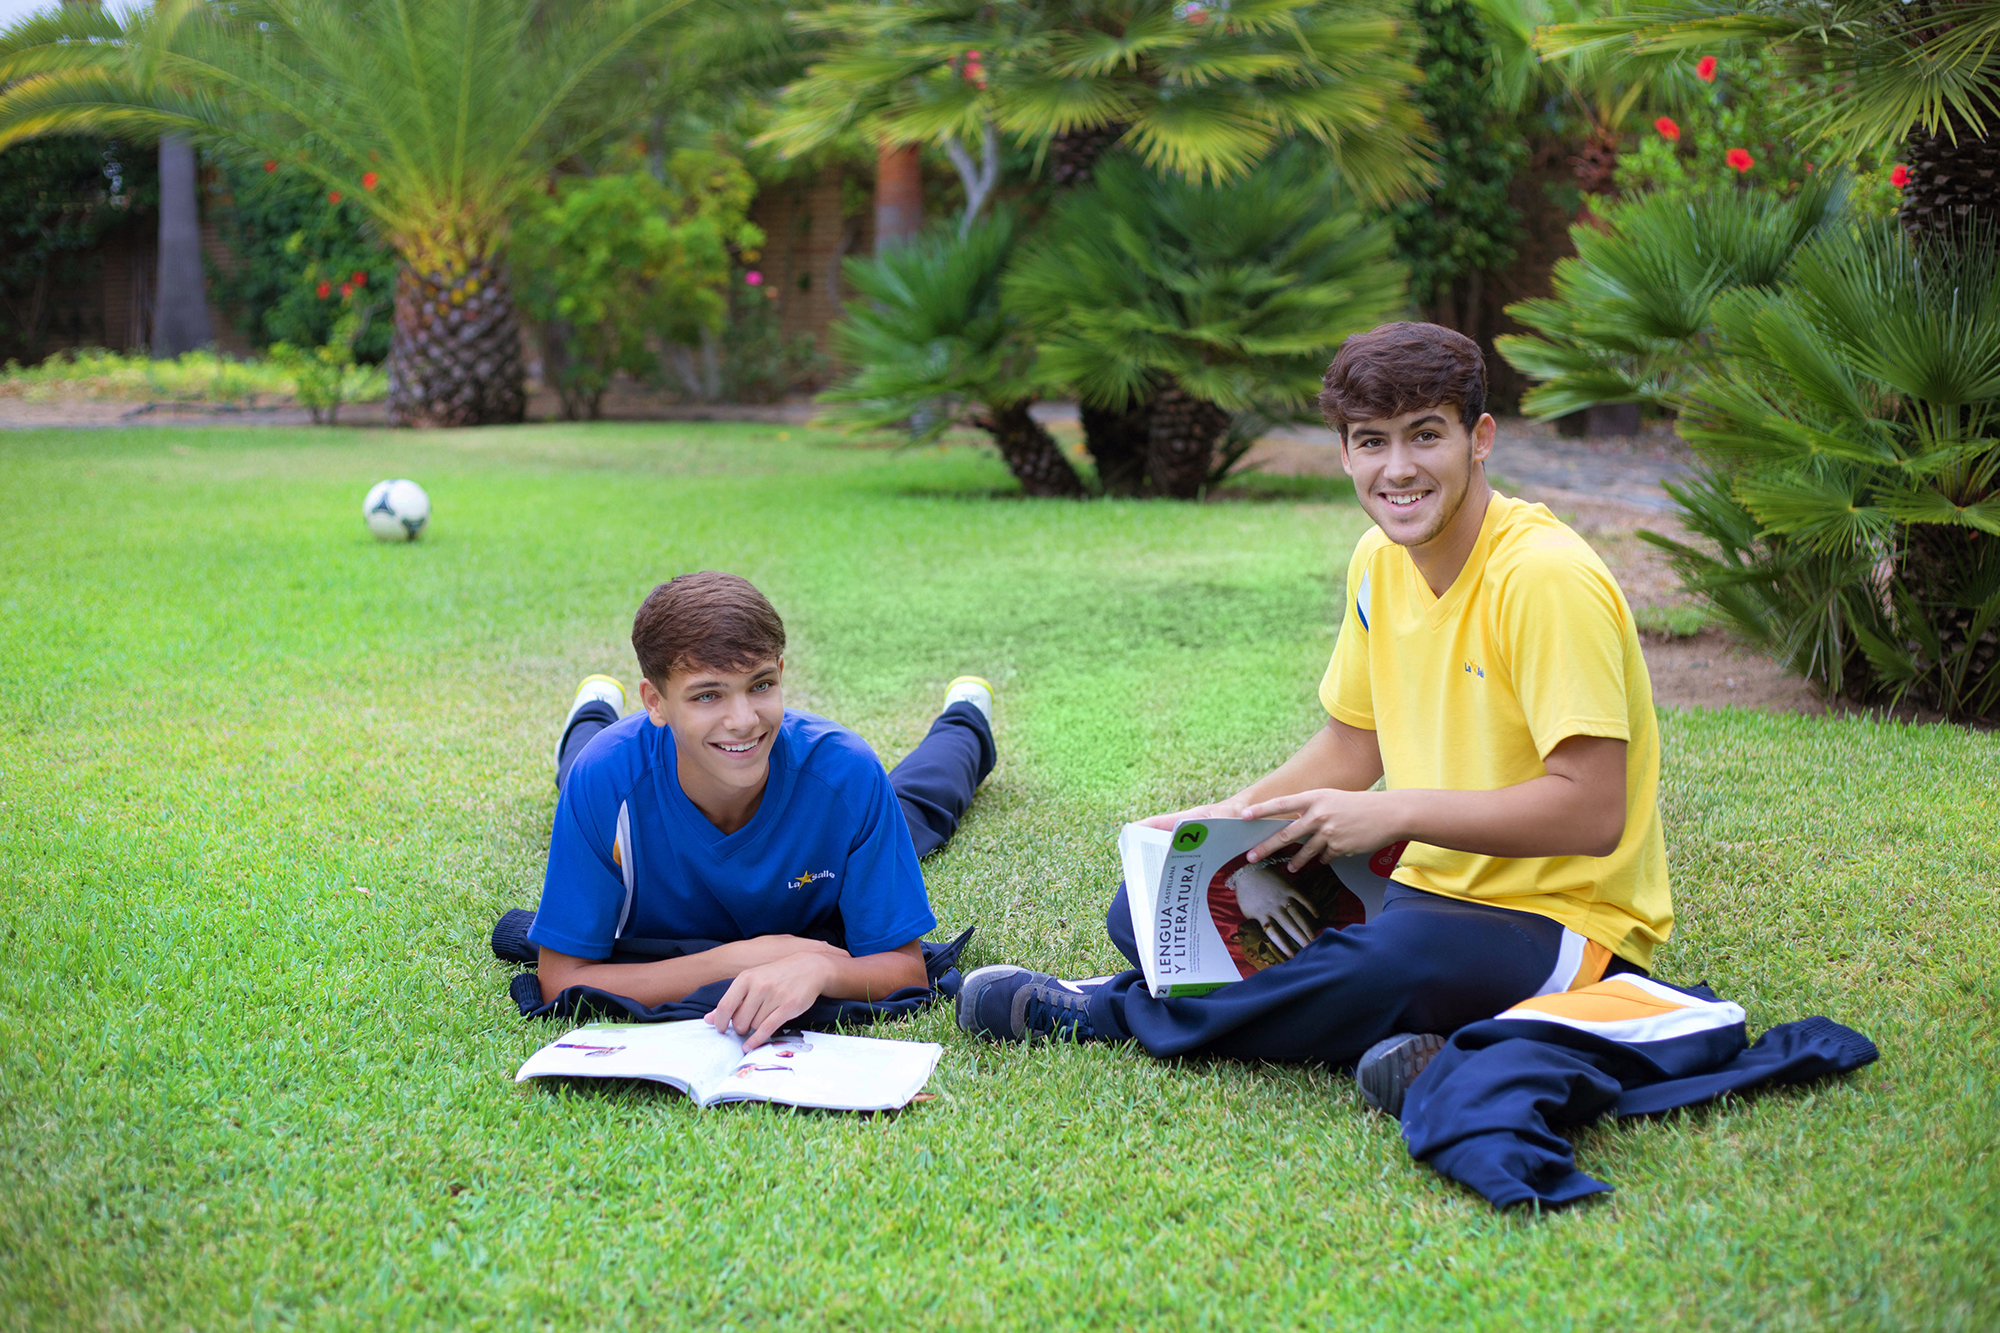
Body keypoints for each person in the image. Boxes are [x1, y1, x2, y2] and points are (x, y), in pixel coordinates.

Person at [956, 322, 1674, 1115]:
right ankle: (1413, 1040)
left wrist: (1389, 811)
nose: (1397, 469)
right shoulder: (1378, 559)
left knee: (1391, 960)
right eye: (1372, 441)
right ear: (1344, 452)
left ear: (1480, 439)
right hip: (1412, 890)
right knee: (1149, 907)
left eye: (1425, 435)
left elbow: (1593, 809)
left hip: (1561, 920)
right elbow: (1350, 743)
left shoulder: (1543, 577)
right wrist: (1225, 821)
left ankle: (1108, 1012)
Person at [523, 570, 995, 1049]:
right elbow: (560, 980)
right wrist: (746, 958)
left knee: (919, 807)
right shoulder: (607, 779)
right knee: (582, 773)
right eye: (708, 694)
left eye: (761, 685)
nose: (744, 720)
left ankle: (965, 716)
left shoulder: (844, 774)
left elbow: (904, 970)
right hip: (623, 764)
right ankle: (593, 708)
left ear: (781, 676)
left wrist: (823, 966)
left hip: (814, 794)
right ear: (656, 701)